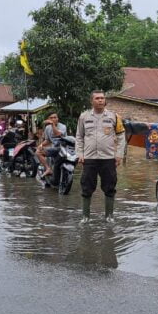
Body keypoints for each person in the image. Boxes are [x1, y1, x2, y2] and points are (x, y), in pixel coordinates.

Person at [76, 90, 126, 223]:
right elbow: (79, 137)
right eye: (97, 98)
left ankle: (109, 216)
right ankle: (85, 217)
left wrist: (119, 155)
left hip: (108, 158)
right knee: (86, 186)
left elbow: (121, 137)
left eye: (102, 98)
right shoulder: (84, 117)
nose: (100, 100)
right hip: (89, 158)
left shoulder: (114, 116)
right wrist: (80, 154)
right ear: (91, 101)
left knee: (110, 186)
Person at [36, 112, 67, 178]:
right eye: (51, 118)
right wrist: (41, 145)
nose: (53, 119)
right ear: (48, 119)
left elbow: (58, 134)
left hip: (63, 148)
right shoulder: (47, 128)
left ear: (57, 118)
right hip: (54, 148)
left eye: (55, 117)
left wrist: (52, 125)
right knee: (38, 152)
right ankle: (48, 168)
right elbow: (48, 140)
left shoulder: (63, 126)